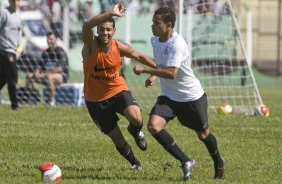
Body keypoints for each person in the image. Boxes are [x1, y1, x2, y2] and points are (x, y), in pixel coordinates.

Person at [133, 7, 225, 180]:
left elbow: (172, 73)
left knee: (203, 135)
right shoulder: (155, 40)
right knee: (154, 126)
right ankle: (186, 161)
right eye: (152, 22)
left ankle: (218, 161)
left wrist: (146, 69)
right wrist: (153, 74)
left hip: (191, 97)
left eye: (156, 23)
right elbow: (162, 64)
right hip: (169, 97)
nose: (152, 26)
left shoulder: (177, 44)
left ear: (168, 25)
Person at [82, 3, 156, 170]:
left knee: (136, 118)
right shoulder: (90, 46)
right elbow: (86, 25)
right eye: (101, 29)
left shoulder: (119, 47)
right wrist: (111, 13)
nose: (105, 33)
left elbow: (139, 55)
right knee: (117, 137)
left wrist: (156, 70)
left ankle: (136, 131)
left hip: (117, 90)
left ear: (114, 31)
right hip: (95, 100)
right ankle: (135, 164)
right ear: (97, 31)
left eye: (108, 29)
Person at [26, 31, 69, 106]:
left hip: (61, 77)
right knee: (29, 76)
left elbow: (59, 69)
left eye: (51, 39)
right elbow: (40, 66)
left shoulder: (61, 52)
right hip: (46, 76)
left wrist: (43, 74)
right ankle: (32, 99)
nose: (49, 41)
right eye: (48, 39)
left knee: (50, 77)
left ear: (56, 39)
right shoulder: (45, 53)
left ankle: (52, 101)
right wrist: (37, 72)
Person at [0, 0, 22, 111]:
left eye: (17, 1)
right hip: (4, 49)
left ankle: (14, 104)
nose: (15, 3)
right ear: (9, 1)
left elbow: (19, 31)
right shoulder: (4, 13)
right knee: (13, 76)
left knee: (3, 78)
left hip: (14, 50)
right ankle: (15, 105)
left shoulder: (18, 15)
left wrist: (20, 46)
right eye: (13, 1)